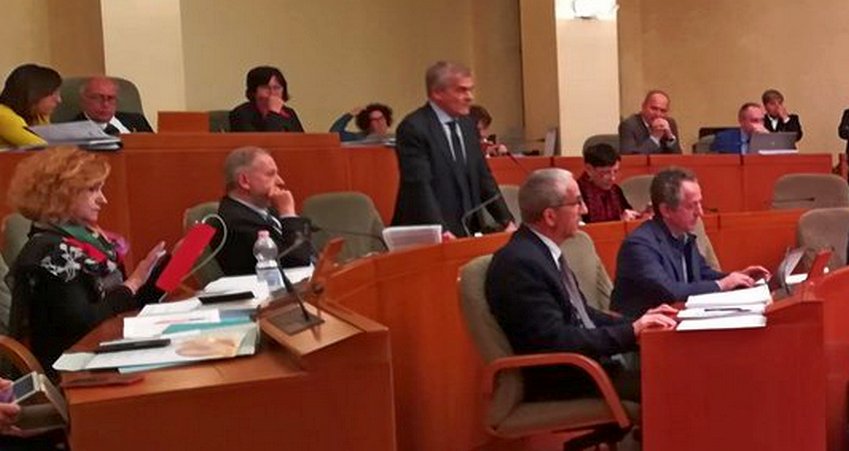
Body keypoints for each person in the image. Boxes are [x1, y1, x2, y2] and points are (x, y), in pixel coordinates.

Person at [485, 168, 677, 402]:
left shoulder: (540, 252)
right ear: (550, 216)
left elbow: (583, 314)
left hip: (585, 369)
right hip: (564, 379)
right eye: (577, 203)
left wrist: (640, 323)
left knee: (676, 370)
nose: (584, 210)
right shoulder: (520, 263)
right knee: (673, 384)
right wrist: (631, 331)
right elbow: (556, 339)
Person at [6, 147, 165, 374]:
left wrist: (174, 264)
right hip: (71, 370)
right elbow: (84, 325)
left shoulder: (87, 238)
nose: (103, 199)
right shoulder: (52, 253)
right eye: (93, 190)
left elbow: (127, 305)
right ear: (62, 194)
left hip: (105, 351)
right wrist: (133, 283)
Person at [611, 167, 770, 318]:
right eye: (692, 206)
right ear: (666, 210)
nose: (700, 212)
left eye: (700, 203)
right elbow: (669, 292)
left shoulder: (684, 236)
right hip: (645, 331)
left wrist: (738, 277)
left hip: (676, 320)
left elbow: (703, 274)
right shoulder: (639, 246)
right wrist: (722, 284)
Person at [392, 61, 515, 237]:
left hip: (468, 227)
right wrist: (441, 230)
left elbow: (483, 177)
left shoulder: (468, 125)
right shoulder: (414, 127)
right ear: (437, 93)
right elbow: (419, 186)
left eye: (470, 90)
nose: (470, 97)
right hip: (431, 231)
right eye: (461, 90)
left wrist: (506, 221)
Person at [214, 146, 312, 276]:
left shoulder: (267, 211)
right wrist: (288, 212)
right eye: (271, 174)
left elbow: (306, 251)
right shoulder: (235, 221)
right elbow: (297, 260)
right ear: (244, 181)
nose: (281, 181)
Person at [0, 64, 62, 149]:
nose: (59, 100)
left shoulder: (37, 115)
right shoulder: (3, 115)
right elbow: (42, 147)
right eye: (53, 94)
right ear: (33, 93)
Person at [578, 143, 642, 223]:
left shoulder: (615, 190)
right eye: (606, 172)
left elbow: (628, 214)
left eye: (615, 171)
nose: (612, 178)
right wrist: (619, 222)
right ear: (589, 169)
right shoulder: (577, 193)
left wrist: (642, 215)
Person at [230, 66, 304, 133]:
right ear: (253, 91)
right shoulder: (241, 113)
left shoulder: (289, 112)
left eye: (276, 87)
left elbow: (302, 140)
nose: (272, 92)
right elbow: (265, 141)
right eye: (265, 87)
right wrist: (273, 113)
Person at [73, 76, 153, 134]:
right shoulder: (73, 131)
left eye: (111, 98)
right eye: (98, 98)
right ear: (83, 100)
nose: (105, 104)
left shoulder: (137, 120)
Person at [618, 90, 682, 154]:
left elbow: (679, 157)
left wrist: (670, 137)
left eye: (663, 111)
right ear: (643, 107)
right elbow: (629, 157)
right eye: (654, 109)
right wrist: (654, 138)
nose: (658, 114)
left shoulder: (670, 123)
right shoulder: (629, 125)